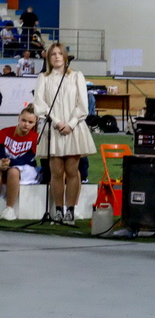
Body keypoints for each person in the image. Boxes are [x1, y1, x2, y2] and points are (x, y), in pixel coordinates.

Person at [32, 43, 97, 223]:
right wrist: (57, 122)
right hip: (53, 129)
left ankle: (71, 211)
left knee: (72, 170)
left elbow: (82, 105)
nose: (56, 56)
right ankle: (59, 210)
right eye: (53, 54)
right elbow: (40, 104)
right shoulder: (43, 78)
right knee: (56, 172)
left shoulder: (76, 76)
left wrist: (71, 123)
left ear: (65, 56)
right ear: (48, 58)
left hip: (73, 128)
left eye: (60, 53)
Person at [1, 105, 40, 220]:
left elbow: (27, 158)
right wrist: (2, 161)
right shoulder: (5, 132)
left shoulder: (35, 138)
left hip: (27, 167)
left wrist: (9, 163)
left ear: (35, 123)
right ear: (19, 118)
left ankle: (9, 209)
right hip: (6, 164)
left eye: (30, 122)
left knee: (14, 171)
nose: (26, 124)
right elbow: (0, 150)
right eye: (24, 120)